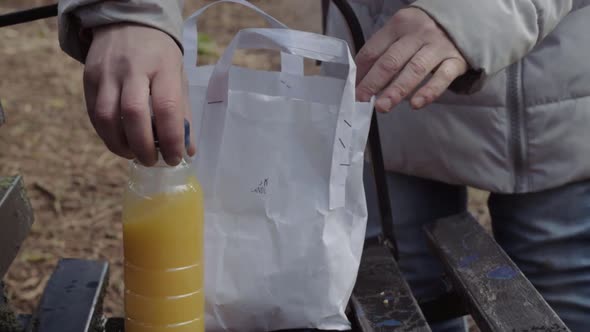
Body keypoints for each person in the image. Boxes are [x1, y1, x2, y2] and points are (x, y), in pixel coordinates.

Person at [58, 1, 590, 331]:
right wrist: (128, 9)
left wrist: (480, 12)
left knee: (551, 291)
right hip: (384, 85)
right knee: (404, 290)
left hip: (552, 89)